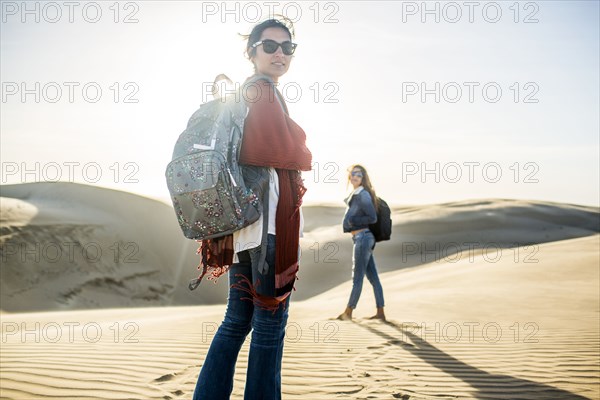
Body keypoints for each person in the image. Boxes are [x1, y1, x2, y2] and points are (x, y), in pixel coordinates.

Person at [192, 18, 312, 400]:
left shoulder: (250, 93)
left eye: (287, 47)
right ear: (252, 51)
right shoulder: (261, 92)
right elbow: (289, 151)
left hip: (247, 230)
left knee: (237, 321)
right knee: (269, 326)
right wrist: (300, 140)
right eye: (270, 46)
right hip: (268, 233)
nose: (280, 54)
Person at [337, 164, 386, 321]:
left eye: (358, 174)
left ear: (363, 177)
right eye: (352, 174)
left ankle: (348, 312)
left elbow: (372, 218)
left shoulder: (363, 195)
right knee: (373, 277)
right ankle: (380, 312)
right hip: (362, 238)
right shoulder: (356, 194)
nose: (355, 176)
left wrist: (352, 220)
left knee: (357, 277)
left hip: (363, 238)